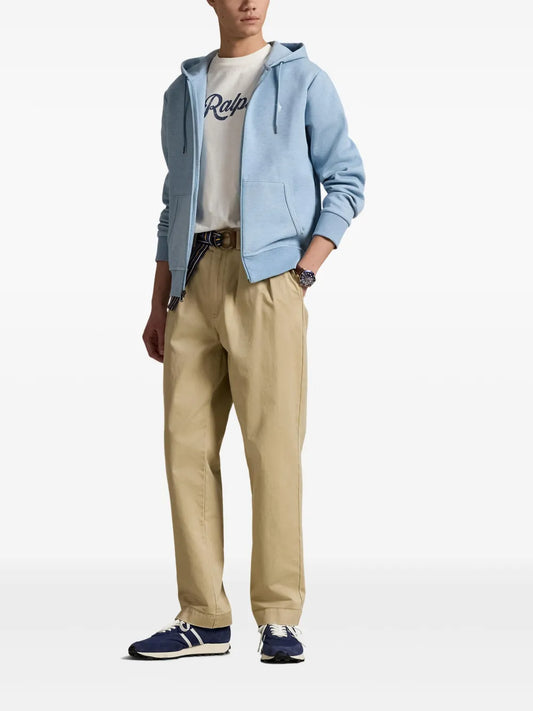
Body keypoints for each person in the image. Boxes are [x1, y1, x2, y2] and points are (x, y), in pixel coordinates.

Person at [129, 0, 365, 664]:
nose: (249, 2)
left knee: (272, 450)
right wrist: (159, 302)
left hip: (268, 280)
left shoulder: (304, 78)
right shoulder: (183, 90)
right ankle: (203, 615)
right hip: (192, 281)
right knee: (185, 451)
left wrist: (304, 271)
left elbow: (347, 180)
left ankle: (279, 616)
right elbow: (173, 202)